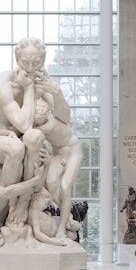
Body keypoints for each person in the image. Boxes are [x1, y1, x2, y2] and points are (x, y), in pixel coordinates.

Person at [0, 37, 69, 225]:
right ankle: (14, 203)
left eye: (36, 62)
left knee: (35, 136)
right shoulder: (2, 84)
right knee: (15, 149)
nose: (30, 67)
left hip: (21, 137)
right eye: (25, 62)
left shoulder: (40, 81)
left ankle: (24, 200)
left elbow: (64, 119)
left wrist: (57, 93)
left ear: (43, 60)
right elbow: (23, 124)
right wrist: (29, 88)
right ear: (17, 59)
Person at [32, 96, 82, 240]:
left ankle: (61, 226)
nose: (36, 120)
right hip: (58, 154)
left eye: (39, 117)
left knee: (65, 187)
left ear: (46, 112)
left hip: (73, 152)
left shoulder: (48, 124)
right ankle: (68, 216)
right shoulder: (43, 120)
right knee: (51, 183)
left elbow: (24, 127)